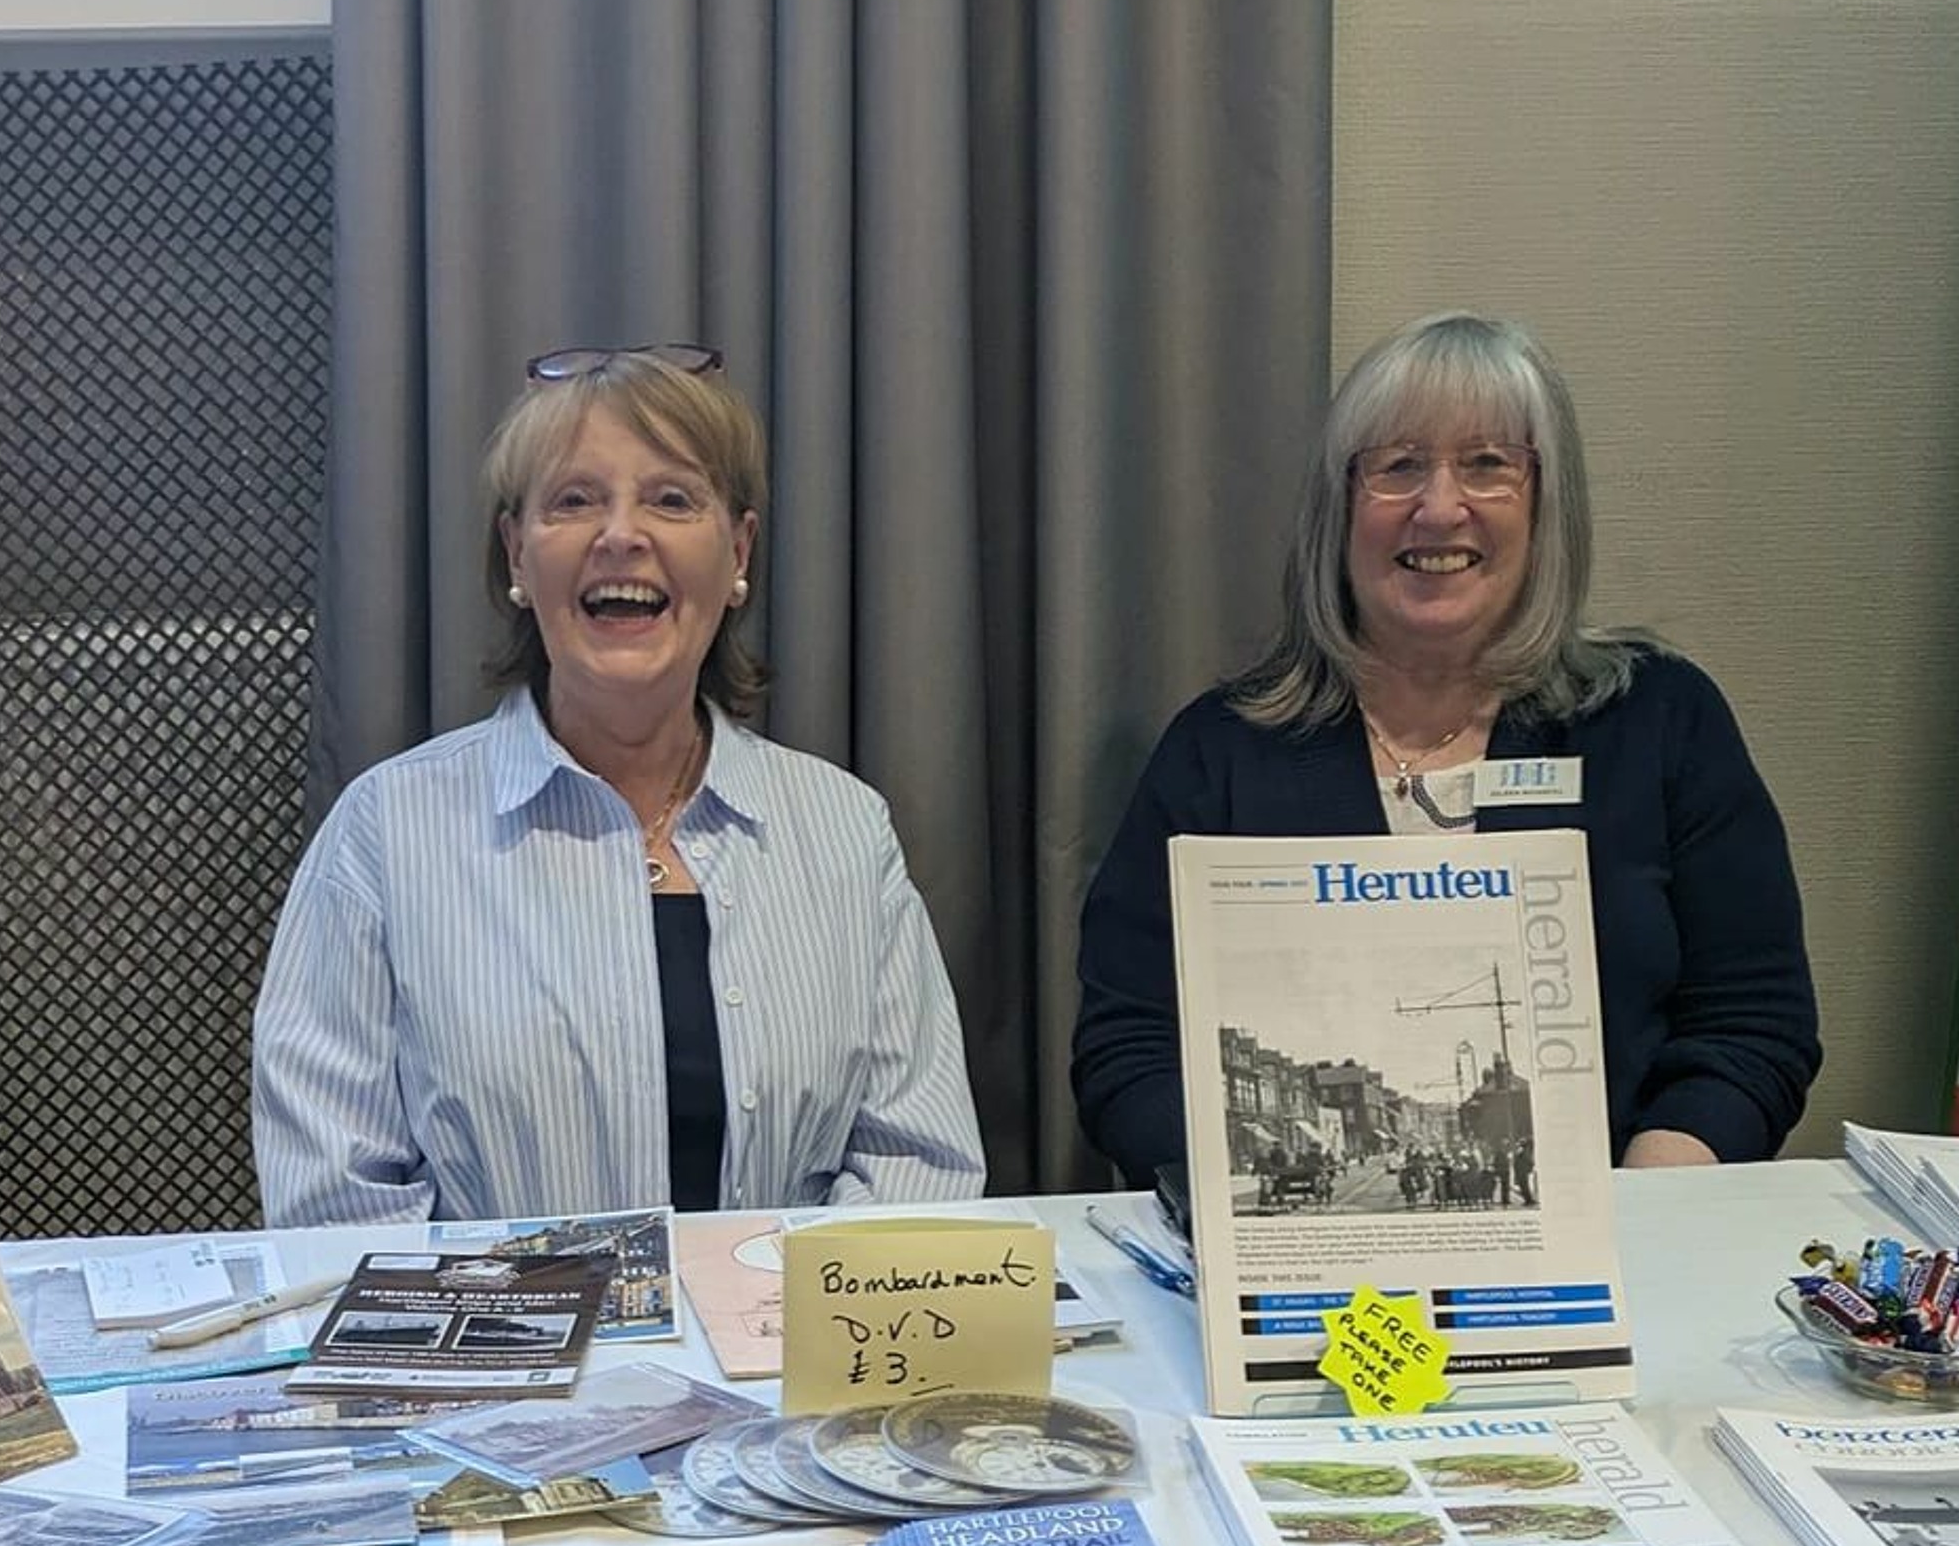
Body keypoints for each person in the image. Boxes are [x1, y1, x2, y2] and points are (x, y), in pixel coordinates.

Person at [1072, 312, 1818, 1192]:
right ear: (1340, 508)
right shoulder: (1222, 751)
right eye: (1397, 467)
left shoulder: (1662, 720)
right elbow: (1127, 1045)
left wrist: (1647, 1199)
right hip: (1298, 1248)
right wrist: (1258, 1198)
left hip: (1631, 1230)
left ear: (1546, 505)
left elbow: (1750, 1026)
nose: (1438, 507)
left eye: (1488, 464)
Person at [254, 346, 983, 1225]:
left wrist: (767, 1310)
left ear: (738, 551)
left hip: (786, 1321)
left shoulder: (845, 829)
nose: (621, 535)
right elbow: (335, 1207)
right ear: (517, 554)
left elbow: (919, 1167)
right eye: (574, 500)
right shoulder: (383, 832)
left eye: (672, 499)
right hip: (491, 1323)